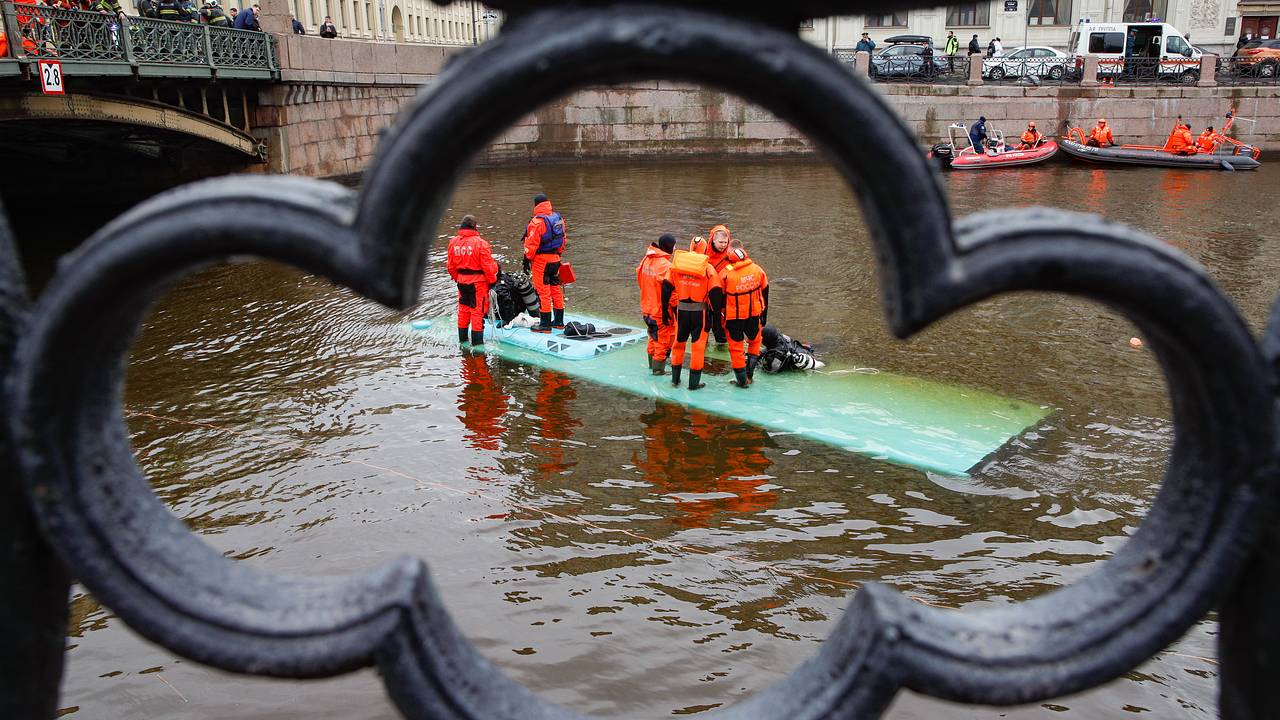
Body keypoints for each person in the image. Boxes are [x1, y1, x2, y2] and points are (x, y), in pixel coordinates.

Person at [661, 237, 722, 390]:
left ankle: (675, 380)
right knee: (697, 348)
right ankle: (693, 384)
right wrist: (717, 321)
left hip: (681, 311)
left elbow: (666, 287)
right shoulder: (708, 268)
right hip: (699, 313)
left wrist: (664, 311)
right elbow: (715, 294)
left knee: (678, 344)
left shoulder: (677, 265)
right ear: (705, 249)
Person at [717, 240, 769, 388]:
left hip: (734, 317)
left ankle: (741, 381)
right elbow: (765, 290)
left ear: (730, 255)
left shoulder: (725, 273)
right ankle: (749, 376)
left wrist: (717, 320)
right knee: (754, 343)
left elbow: (718, 298)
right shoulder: (757, 269)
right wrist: (764, 313)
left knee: (736, 348)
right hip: (754, 314)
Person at [446, 214, 499, 347]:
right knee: (477, 312)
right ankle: (477, 346)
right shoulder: (481, 243)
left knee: (463, 310)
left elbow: (450, 266)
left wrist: (458, 278)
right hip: (478, 283)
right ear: (475, 227)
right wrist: (492, 281)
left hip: (462, 281)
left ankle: (462, 341)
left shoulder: (453, 242)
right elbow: (487, 266)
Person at [521, 193, 568, 333]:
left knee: (543, 292)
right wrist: (558, 254)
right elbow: (563, 240)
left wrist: (526, 259)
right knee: (556, 290)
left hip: (541, 261)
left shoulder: (536, 223)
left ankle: (545, 325)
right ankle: (559, 321)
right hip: (556, 259)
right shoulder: (558, 219)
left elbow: (531, 245)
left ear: (536, 205)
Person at [637, 233, 676, 375]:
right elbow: (672, 293)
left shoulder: (646, 259)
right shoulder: (666, 266)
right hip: (659, 311)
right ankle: (658, 370)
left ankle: (651, 365)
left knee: (652, 337)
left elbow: (639, 278)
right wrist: (675, 310)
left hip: (646, 308)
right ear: (670, 247)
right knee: (662, 341)